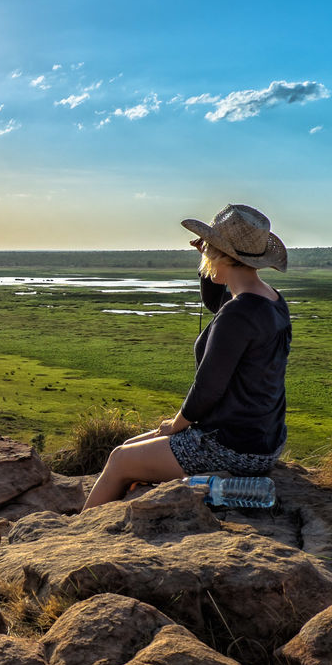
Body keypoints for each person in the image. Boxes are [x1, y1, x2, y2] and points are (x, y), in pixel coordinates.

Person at [82, 204, 291, 512]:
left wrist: (176, 425)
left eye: (209, 249)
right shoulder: (271, 299)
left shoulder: (238, 314)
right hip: (263, 438)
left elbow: (209, 388)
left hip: (232, 446)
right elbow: (217, 302)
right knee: (128, 447)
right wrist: (205, 261)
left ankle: (82, 530)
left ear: (219, 254)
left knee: (119, 460)